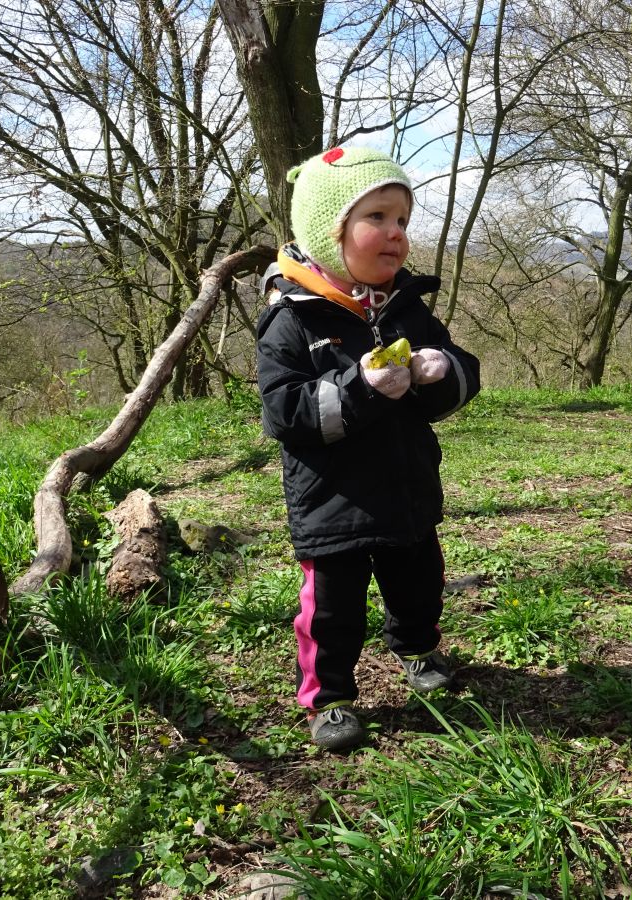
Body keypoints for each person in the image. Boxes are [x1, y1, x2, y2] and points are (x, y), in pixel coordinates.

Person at [255, 146, 482, 750]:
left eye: (403, 221)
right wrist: (361, 387)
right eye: (377, 218)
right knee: (331, 613)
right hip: (333, 503)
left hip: (406, 489)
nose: (395, 234)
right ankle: (328, 699)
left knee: (420, 582)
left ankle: (417, 648)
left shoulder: (407, 308)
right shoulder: (292, 321)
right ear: (332, 234)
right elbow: (285, 413)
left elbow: (463, 382)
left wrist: (445, 367)